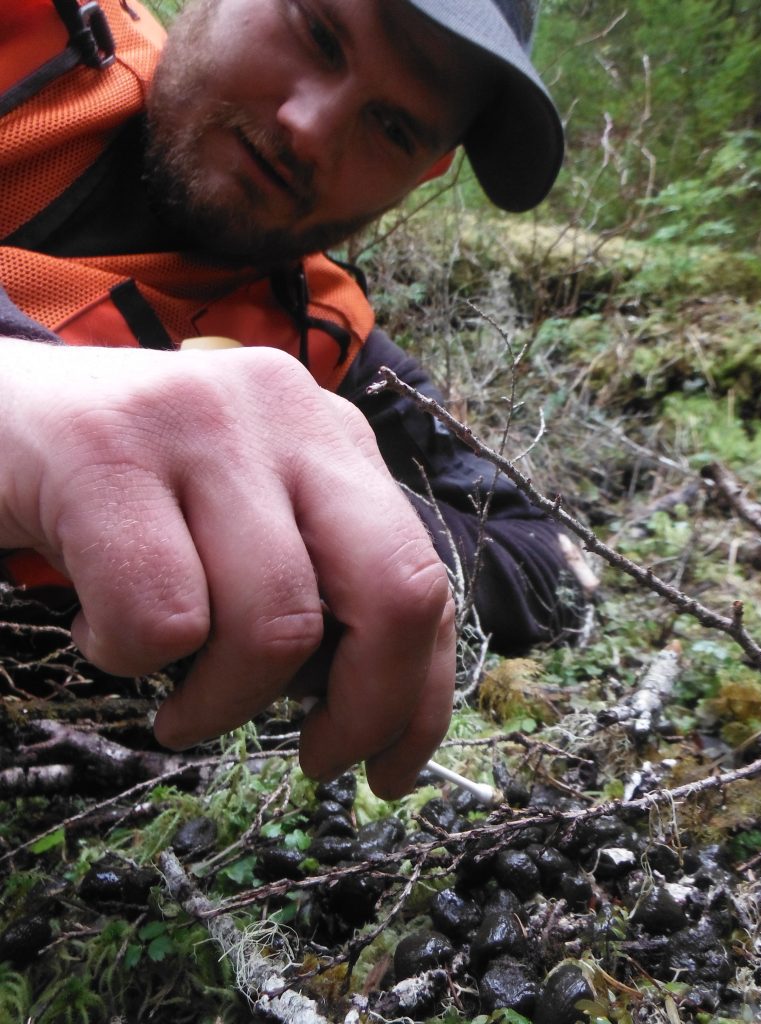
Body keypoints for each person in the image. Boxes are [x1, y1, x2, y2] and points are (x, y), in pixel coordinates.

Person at [0, 0, 585, 799]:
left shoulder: (319, 330)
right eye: (316, 33)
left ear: (428, 172)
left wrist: (322, 522)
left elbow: (542, 556)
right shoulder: (31, 39)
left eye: (393, 126)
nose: (310, 127)